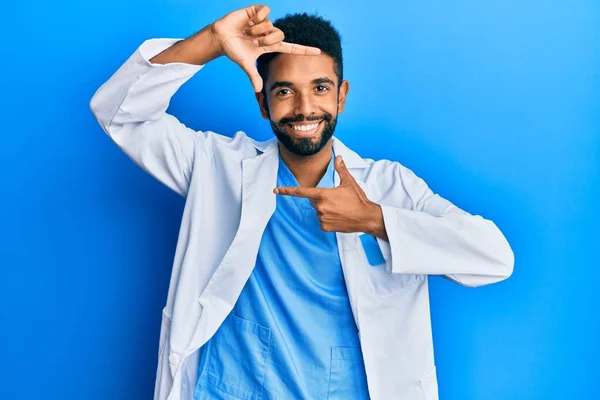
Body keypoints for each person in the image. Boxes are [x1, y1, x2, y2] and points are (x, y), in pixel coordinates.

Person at [89, 4, 514, 400]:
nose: (305, 108)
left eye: (320, 88)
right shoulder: (218, 166)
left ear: (341, 96)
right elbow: (118, 113)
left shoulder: (389, 185)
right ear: (262, 102)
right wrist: (211, 42)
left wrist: (374, 219)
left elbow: (495, 258)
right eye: (285, 91)